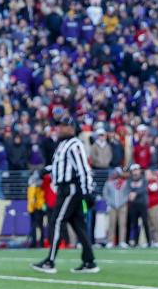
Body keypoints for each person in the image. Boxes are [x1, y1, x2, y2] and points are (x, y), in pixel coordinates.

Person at [32, 116, 98, 273]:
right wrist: (44, 171)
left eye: (62, 126)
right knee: (78, 225)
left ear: (71, 128)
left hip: (71, 189)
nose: (58, 129)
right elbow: (58, 166)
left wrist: (88, 191)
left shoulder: (75, 144)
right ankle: (89, 262)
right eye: (58, 126)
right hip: (64, 188)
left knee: (57, 220)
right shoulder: (62, 145)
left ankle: (50, 261)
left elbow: (83, 169)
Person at [102, 168, 129, 248]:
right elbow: (105, 193)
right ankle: (110, 241)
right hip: (112, 205)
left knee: (122, 224)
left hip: (122, 205)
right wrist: (110, 202)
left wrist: (123, 201)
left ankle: (122, 241)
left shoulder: (125, 183)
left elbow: (127, 193)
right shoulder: (109, 183)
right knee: (111, 224)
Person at [126, 164, 152, 247]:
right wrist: (132, 193)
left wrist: (135, 193)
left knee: (145, 223)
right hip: (133, 205)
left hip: (142, 204)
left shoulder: (144, 179)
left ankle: (149, 241)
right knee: (134, 224)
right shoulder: (129, 180)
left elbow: (143, 188)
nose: (135, 171)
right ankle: (136, 241)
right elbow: (128, 189)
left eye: (137, 169)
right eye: (134, 170)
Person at [26, 170, 47, 248]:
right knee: (36, 226)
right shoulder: (36, 183)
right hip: (35, 207)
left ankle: (37, 242)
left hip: (37, 207)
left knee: (37, 226)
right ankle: (36, 242)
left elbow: (34, 197)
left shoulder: (36, 184)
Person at [146, 169, 158, 247]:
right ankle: (151, 241)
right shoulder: (146, 182)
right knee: (149, 224)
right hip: (148, 206)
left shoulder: (154, 182)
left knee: (155, 224)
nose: (146, 176)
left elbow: (152, 188)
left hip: (155, 205)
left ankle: (157, 240)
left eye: (148, 174)